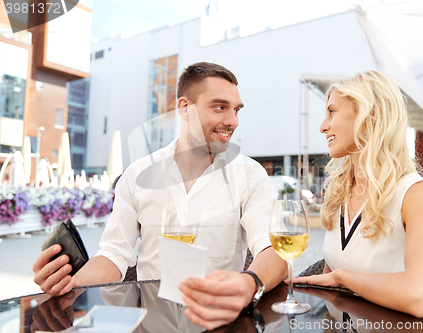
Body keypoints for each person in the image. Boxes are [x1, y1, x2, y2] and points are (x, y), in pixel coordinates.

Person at [33, 62, 287, 330]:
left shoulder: (249, 174)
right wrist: (70, 283)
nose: (232, 121)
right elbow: (114, 255)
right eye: (220, 107)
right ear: (183, 108)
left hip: (221, 326)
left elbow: (276, 252)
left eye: (236, 110)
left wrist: (249, 283)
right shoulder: (137, 175)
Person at [292, 70, 423, 318]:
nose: (323, 127)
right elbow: (332, 293)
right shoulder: (340, 192)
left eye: (332, 112)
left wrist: (342, 277)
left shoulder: (416, 195)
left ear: (369, 114)